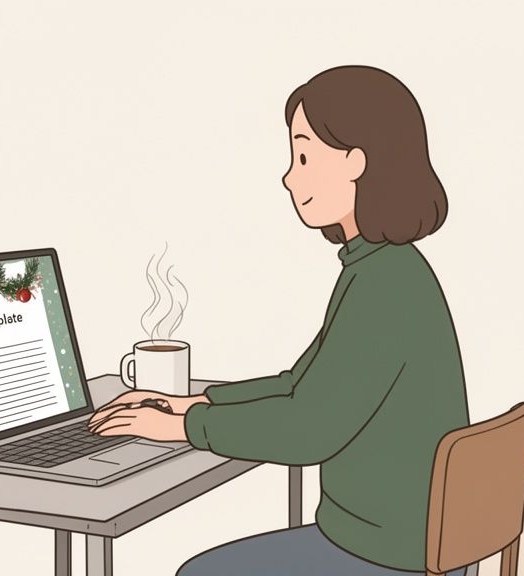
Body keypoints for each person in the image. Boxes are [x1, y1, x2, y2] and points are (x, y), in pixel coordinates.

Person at [89, 65, 471, 575]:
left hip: (387, 557)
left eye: (304, 156)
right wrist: (197, 401)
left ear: (355, 161)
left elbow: (310, 430)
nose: (290, 177)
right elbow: (300, 385)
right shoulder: (383, 268)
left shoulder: (385, 285)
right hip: (403, 544)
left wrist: (183, 427)